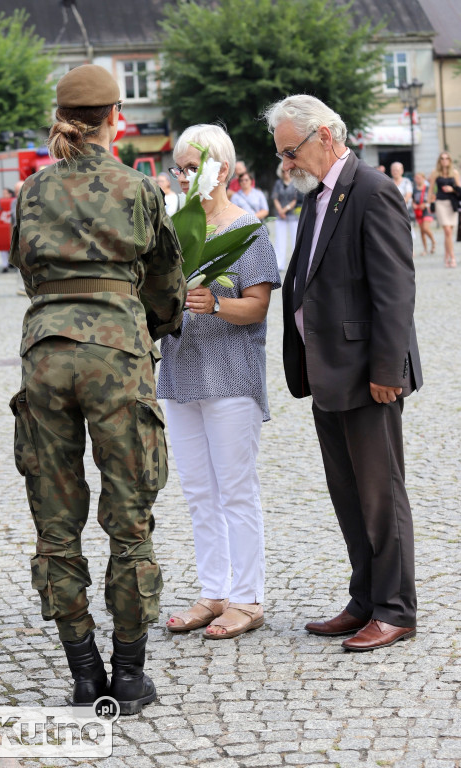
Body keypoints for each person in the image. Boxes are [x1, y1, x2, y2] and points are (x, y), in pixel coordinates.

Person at [9, 64, 186, 713]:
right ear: (116, 117)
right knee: (129, 520)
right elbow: (165, 282)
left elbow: (27, 269)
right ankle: (130, 677)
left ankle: (84, 674)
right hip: (117, 356)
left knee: (56, 525)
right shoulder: (136, 188)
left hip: (46, 355)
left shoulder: (31, 191)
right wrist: (156, 326)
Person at [264, 94, 422, 652]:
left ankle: (396, 608)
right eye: (281, 154)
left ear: (325, 135)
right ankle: (364, 599)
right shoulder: (318, 196)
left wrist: (387, 368)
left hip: (366, 373)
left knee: (381, 495)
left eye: (291, 151)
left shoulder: (374, 190)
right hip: (327, 371)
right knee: (347, 495)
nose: (285, 165)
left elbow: (395, 291)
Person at [159, 123, 280, 639]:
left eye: (192, 168)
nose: (183, 177)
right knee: (197, 492)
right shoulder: (171, 228)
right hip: (180, 370)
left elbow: (258, 306)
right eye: (179, 168)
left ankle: (247, 598)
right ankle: (212, 591)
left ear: (223, 170)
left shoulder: (248, 229)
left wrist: (217, 302)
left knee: (235, 490)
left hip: (231, 375)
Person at [427, 151, 460, 268]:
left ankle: (446, 256)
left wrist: (452, 189)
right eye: (442, 158)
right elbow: (431, 189)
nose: (444, 160)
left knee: (449, 233)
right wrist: (429, 203)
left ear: (450, 160)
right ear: (439, 160)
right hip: (440, 203)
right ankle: (453, 257)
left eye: (446, 158)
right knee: (447, 231)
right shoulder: (435, 172)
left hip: (452, 204)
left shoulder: (454, 173)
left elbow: (459, 189)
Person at [271, 162, 298, 271]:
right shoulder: (278, 183)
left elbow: (296, 200)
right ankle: (279, 264)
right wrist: (280, 211)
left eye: (286, 170)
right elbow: (275, 198)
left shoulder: (295, 183)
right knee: (279, 239)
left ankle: (296, 264)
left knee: (295, 239)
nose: (285, 173)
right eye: (283, 171)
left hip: (293, 215)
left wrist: (285, 209)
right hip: (280, 215)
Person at [10, 180, 28, 295]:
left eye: (19, 190)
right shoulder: (13, 203)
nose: (18, 193)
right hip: (19, 234)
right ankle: (21, 287)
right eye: (16, 191)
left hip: (29, 235)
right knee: (19, 262)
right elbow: (14, 218)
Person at [412, 172, 435, 257]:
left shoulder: (428, 188)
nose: (417, 180)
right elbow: (413, 200)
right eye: (416, 178)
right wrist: (414, 205)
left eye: (419, 178)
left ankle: (433, 241)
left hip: (426, 210)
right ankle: (425, 249)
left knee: (425, 228)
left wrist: (425, 204)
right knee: (422, 231)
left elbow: (433, 199)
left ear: (423, 178)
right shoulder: (414, 189)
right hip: (418, 211)